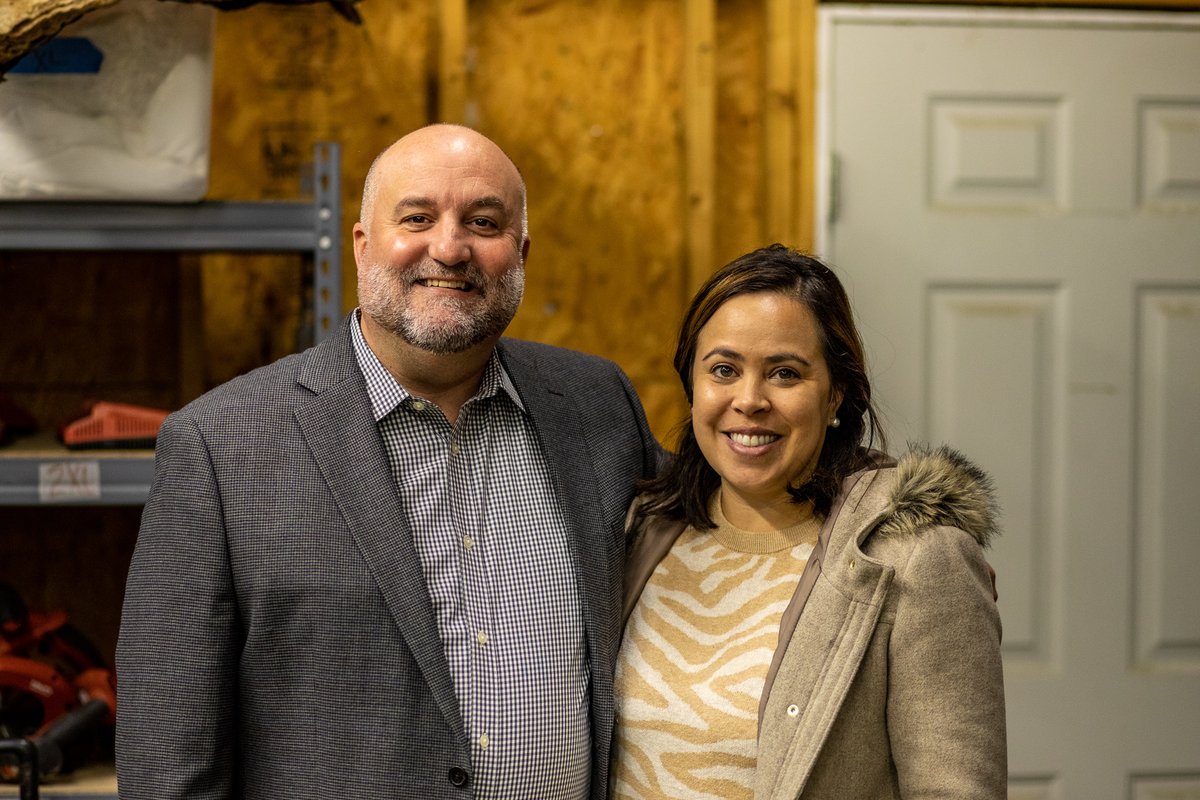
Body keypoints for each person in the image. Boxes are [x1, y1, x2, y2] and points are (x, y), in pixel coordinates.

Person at [116, 124, 661, 800]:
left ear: (521, 253)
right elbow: (170, 766)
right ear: (362, 245)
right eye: (418, 217)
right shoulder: (220, 446)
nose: (450, 246)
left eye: (484, 222)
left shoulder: (597, 407)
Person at [612, 243, 1006, 799]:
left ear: (835, 396)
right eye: (724, 369)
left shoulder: (916, 557)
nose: (749, 400)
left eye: (785, 374)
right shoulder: (644, 527)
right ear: (693, 386)